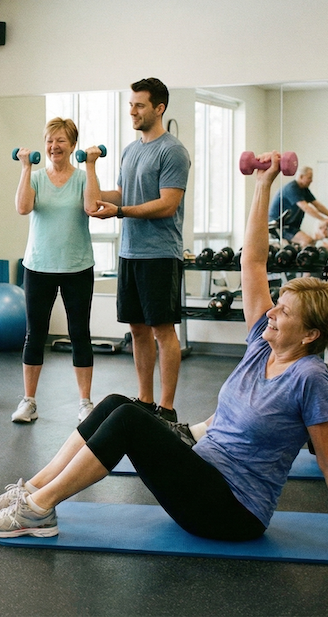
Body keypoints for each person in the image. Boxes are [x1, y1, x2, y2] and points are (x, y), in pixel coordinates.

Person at [0, 153, 328, 563]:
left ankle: (38, 511)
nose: (272, 312)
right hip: (204, 468)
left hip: (232, 510)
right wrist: (263, 185)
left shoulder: (311, 379)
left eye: (285, 312)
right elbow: (254, 262)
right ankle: (30, 491)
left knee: (129, 423)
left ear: (312, 333)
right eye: (277, 305)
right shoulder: (265, 341)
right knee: (117, 404)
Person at [88, 78, 189, 422]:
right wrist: (96, 196)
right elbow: (123, 194)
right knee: (137, 329)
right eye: (130, 104)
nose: (132, 110)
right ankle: (145, 400)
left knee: (163, 330)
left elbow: (166, 204)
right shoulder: (131, 151)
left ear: (159, 108)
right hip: (130, 252)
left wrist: (120, 211)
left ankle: (167, 407)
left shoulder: (172, 150)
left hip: (160, 253)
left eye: (140, 105)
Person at [11, 118, 102, 424]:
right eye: (50, 140)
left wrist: (90, 166)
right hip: (39, 266)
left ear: (73, 145)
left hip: (77, 266)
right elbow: (22, 208)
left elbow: (92, 207)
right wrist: (25, 168)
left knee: (80, 334)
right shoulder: (36, 177)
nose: (54, 146)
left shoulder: (81, 178)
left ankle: (85, 402)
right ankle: (28, 401)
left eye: (61, 141)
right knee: (34, 334)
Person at [268, 166, 328, 247]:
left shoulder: (304, 189)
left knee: (310, 242)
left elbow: (317, 205)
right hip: (280, 226)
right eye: (309, 178)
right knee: (307, 241)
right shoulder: (292, 188)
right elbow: (306, 207)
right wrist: (323, 219)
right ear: (301, 177)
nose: (311, 180)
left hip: (291, 226)